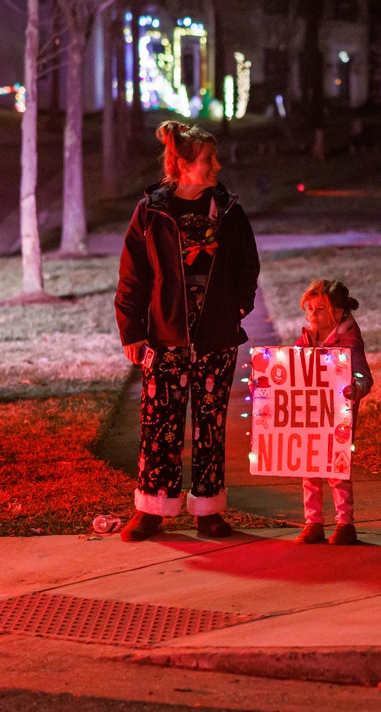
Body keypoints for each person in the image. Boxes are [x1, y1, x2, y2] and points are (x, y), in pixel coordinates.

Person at [114, 120, 260, 542]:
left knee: (210, 424)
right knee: (159, 423)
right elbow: (132, 278)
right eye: (208, 159)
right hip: (164, 336)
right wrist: (132, 332)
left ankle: (208, 509)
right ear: (182, 165)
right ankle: (152, 509)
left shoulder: (228, 211)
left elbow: (248, 265)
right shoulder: (151, 213)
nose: (217, 165)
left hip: (215, 336)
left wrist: (237, 307)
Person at [293, 280, 374, 545]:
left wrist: (356, 386)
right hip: (310, 416)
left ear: (336, 314)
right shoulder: (305, 341)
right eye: (311, 309)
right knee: (309, 470)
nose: (313, 316)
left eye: (320, 310)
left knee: (338, 471)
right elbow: (290, 369)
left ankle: (344, 523)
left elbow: (363, 375)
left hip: (338, 417)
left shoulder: (349, 341)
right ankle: (313, 522)